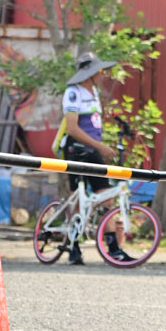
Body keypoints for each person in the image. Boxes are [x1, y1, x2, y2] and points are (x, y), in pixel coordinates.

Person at [53, 52, 128, 264]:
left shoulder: (93, 91)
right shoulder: (73, 93)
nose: (104, 74)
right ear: (90, 74)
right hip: (77, 150)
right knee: (79, 200)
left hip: (93, 151)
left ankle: (113, 249)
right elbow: (73, 128)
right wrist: (100, 147)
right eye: (100, 71)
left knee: (106, 198)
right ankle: (74, 248)